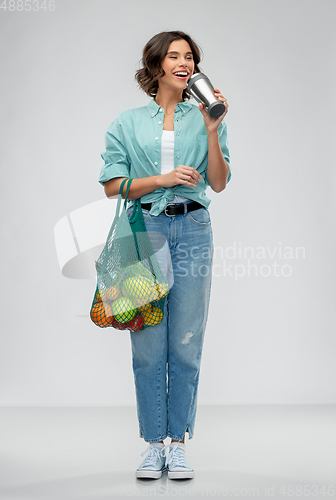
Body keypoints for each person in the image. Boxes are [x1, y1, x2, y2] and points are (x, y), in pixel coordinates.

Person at [99, 31, 231, 480]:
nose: (184, 62)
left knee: (187, 341)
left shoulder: (206, 115)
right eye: (174, 55)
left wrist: (212, 130)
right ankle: (153, 444)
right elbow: (111, 185)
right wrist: (161, 179)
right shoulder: (127, 121)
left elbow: (218, 183)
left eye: (190, 57)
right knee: (148, 342)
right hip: (145, 230)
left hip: (193, 229)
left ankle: (178, 444)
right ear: (155, 64)